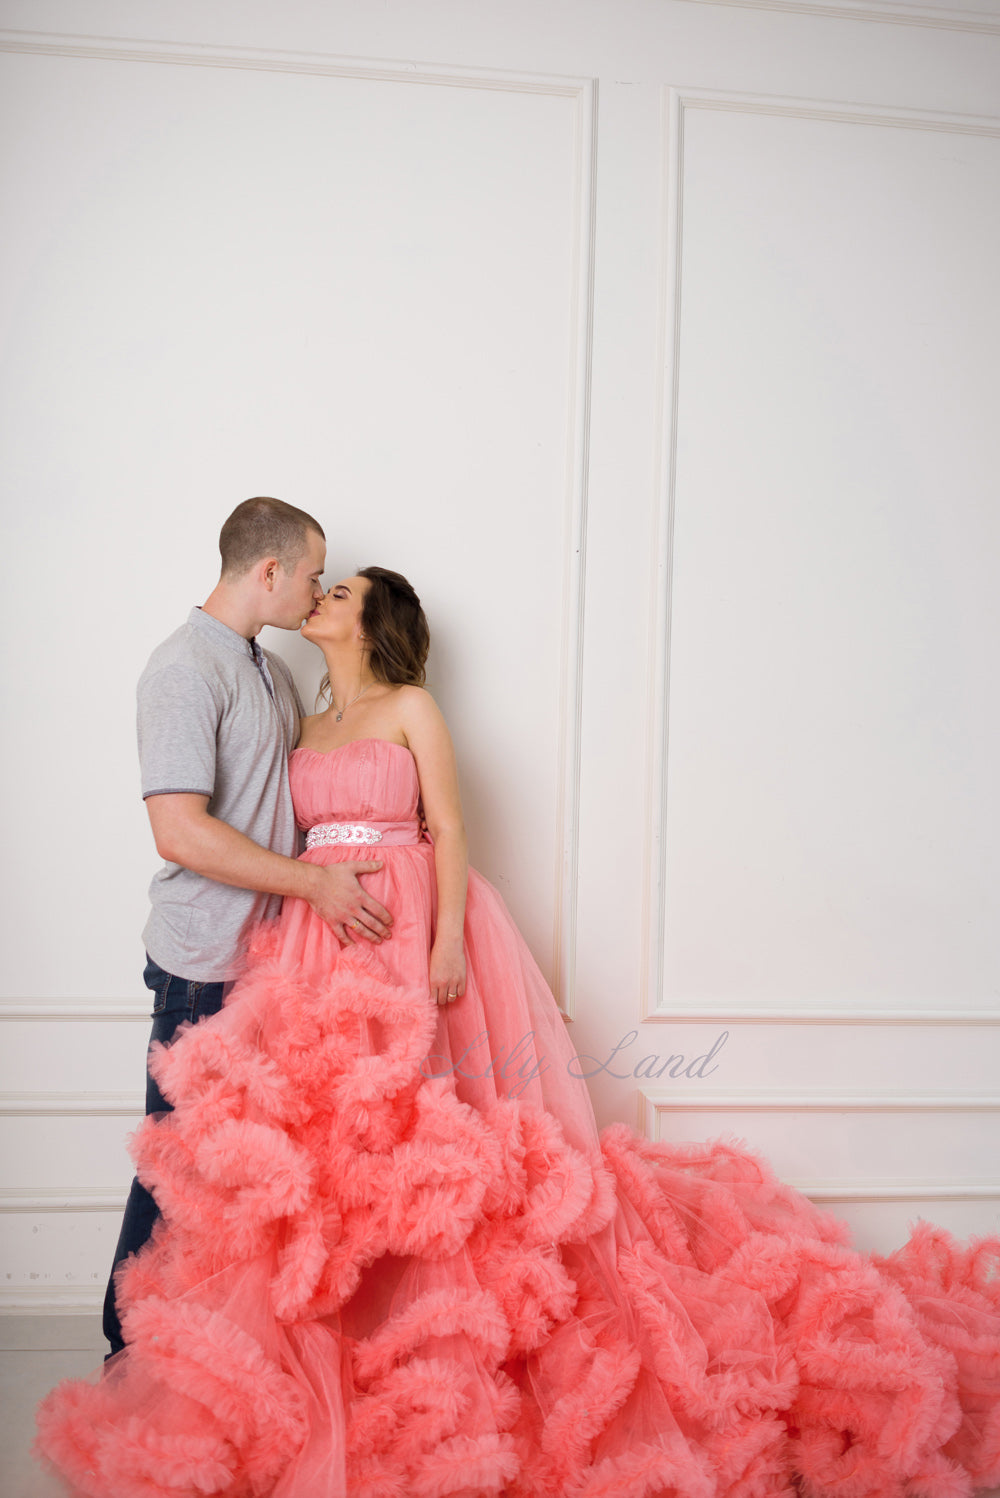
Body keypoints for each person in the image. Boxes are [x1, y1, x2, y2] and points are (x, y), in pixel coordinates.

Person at [40, 568, 1000, 1498]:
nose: (322, 598)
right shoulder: (304, 710)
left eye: (341, 592)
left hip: (408, 919)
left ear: (375, 623)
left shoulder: (412, 706)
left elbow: (450, 830)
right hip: (319, 940)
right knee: (339, 1150)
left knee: (440, 1131)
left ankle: (447, 1323)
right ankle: (351, 1326)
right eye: (320, 584)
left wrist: (447, 938)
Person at [103, 500, 395, 1357]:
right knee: (176, 1173)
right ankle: (125, 1358)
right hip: (201, 963)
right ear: (267, 573)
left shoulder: (267, 671)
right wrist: (315, 884)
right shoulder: (183, 670)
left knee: (246, 1184)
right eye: (311, 574)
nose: (314, 593)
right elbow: (179, 830)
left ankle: (205, 1363)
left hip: (272, 967)